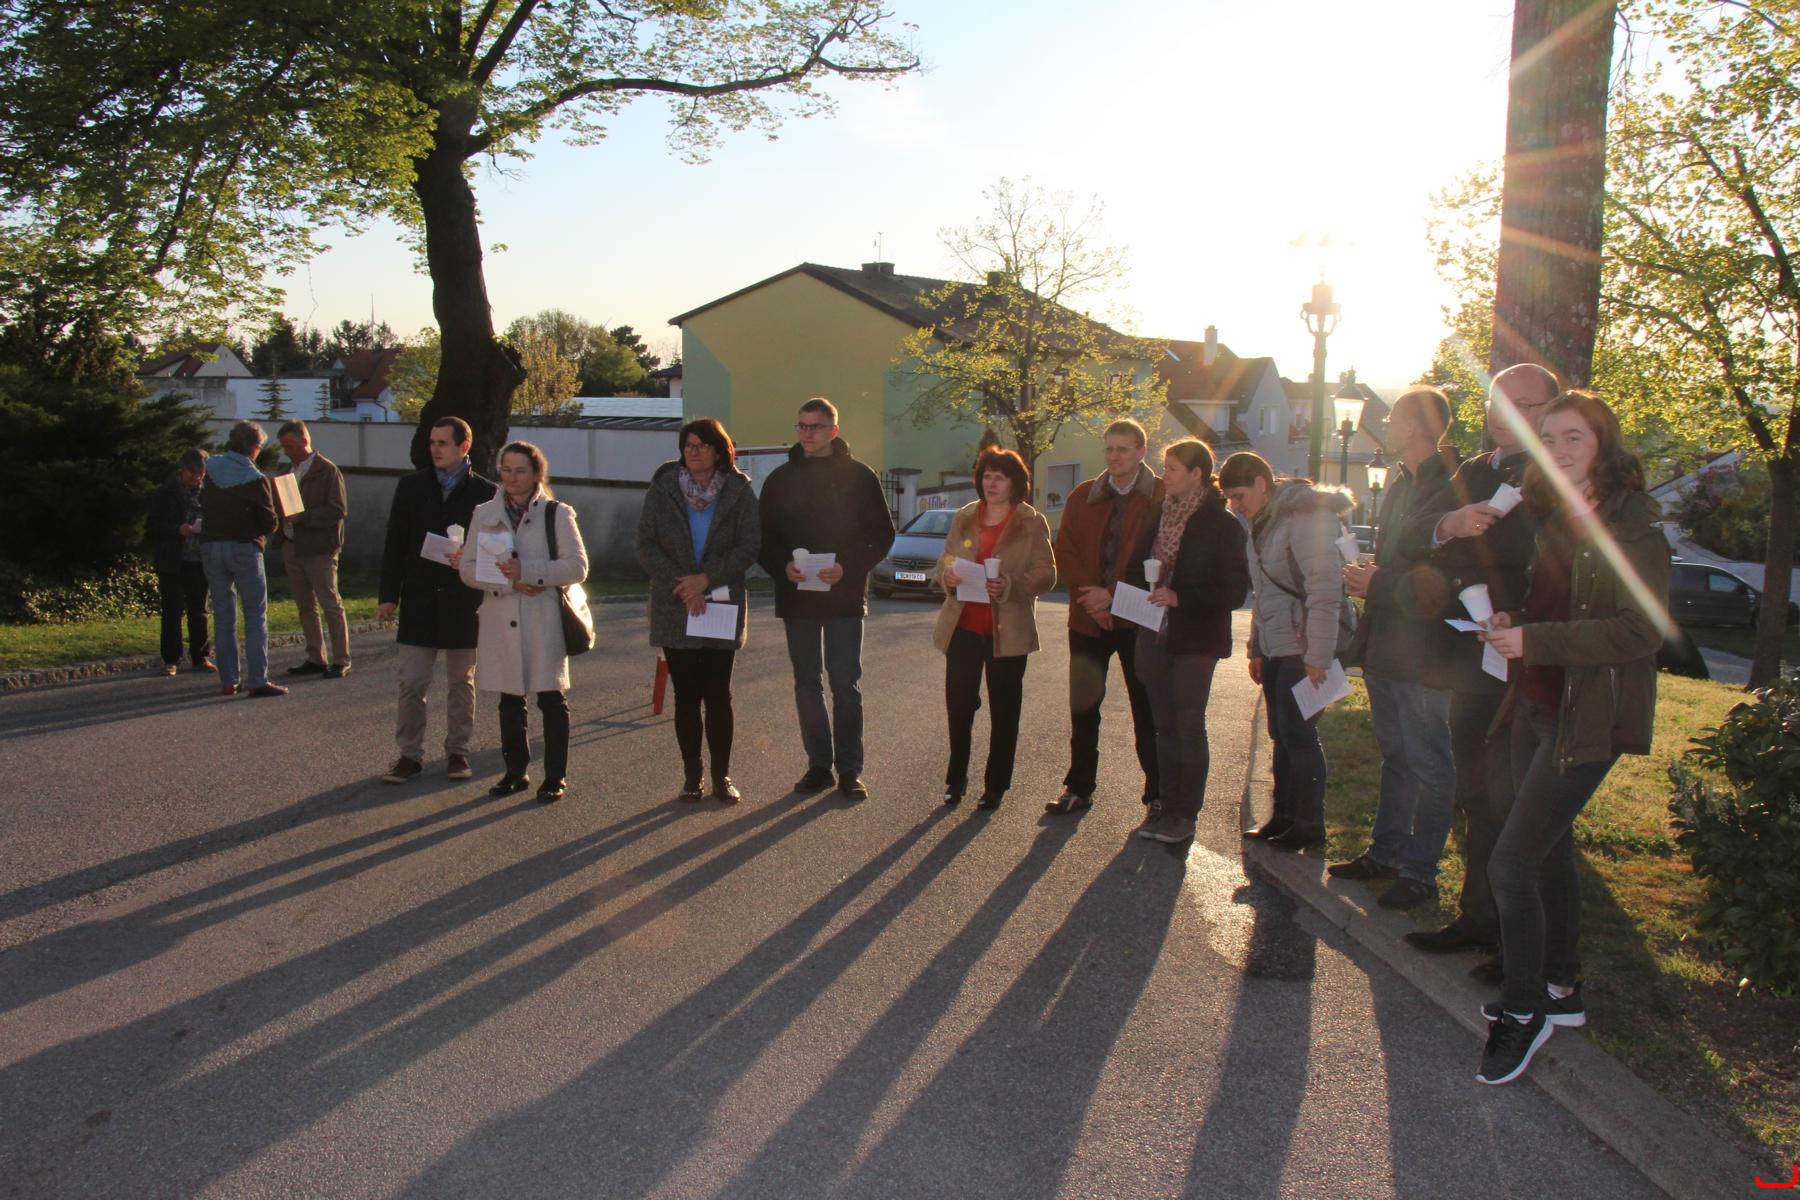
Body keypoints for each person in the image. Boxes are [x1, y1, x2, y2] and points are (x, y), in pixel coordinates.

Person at [1472, 390, 1668, 1086]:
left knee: (1511, 862)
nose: (1557, 450)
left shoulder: (1633, 522)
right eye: (1548, 438)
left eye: (1573, 438)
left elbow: (1641, 629)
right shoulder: (1554, 511)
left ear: (1603, 444)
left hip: (1584, 717)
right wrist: (1515, 619)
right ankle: (1560, 986)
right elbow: (1557, 604)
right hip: (1533, 702)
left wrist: (1537, 639)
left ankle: (1524, 1011)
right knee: (1548, 849)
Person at [1403, 364, 1557, 957]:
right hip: (1469, 657)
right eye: (1496, 400)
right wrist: (1450, 523)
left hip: (1529, 660)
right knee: (1476, 793)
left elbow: (1563, 571)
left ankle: (1519, 947)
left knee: (1517, 803)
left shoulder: (1556, 476)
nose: (1504, 413)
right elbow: (1411, 532)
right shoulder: (1472, 470)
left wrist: (1519, 613)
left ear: (1549, 410)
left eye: (1523, 403)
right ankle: (1477, 919)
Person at [1330, 387, 1462, 908]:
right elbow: (1398, 561)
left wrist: (1377, 582)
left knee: (1431, 764)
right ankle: (1386, 852)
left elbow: (1439, 583)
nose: (1384, 425)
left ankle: (1420, 872)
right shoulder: (1401, 482)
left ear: (1413, 426)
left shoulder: (1450, 487)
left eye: (1391, 419)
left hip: (1424, 654)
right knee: (1397, 757)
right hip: (1385, 644)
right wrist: (1370, 574)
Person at [756, 397, 896, 801]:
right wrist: (781, 566)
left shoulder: (860, 476)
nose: (807, 433)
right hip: (797, 597)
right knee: (806, 683)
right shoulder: (780, 479)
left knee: (845, 683)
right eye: (801, 426)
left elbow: (881, 535)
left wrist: (848, 567)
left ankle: (850, 769)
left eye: (815, 426)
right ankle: (819, 765)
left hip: (844, 597)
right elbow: (762, 538)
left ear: (833, 430)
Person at [1219, 451, 1350, 851]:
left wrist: (1318, 656)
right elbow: (1264, 593)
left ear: (1261, 483)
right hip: (1279, 644)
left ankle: (1309, 822)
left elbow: (1325, 589)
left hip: (1305, 645)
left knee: (1299, 733)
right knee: (1280, 732)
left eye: (1239, 495)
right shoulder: (1264, 520)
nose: (1235, 505)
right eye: (1230, 498)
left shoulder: (1306, 517)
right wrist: (1257, 647)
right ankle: (1284, 815)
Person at [635, 418, 761, 803]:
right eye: (688, 445)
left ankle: (722, 776)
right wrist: (684, 585)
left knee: (718, 694)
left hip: (720, 601)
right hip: (675, 603)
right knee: (686, 696)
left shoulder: (739, 491)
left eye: (703, 445)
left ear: (720, 451)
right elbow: (645, 544)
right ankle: (693, 776)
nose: (694, 451)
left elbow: (749, 546)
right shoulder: (663, 488)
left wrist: (705, 579)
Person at [1046, 418, 1165, 817]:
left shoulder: (1160, 496)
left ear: (1141, 452)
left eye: (1123, 449)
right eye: (1109, 449)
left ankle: (1157, 793)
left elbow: (1161, 556)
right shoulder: (1083, 496)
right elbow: (1066, 551)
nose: (1114, 457)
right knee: (1083, 708)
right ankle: (1079, 788)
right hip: (1088, 619)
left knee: (1146, 709)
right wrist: (1093, 601)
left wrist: (1112, 596)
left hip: (1137, 619)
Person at [1133, 438, 1249, 845]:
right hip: (1153, 631)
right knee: (1163, 726)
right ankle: (1165, 806)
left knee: (1188, 724)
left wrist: (1181, 597)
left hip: (1197, 638)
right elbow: (1135, 565)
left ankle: (1185, 815)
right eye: (1164, 467)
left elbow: (1235, 591)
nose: (1164, 475)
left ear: (1197, 474)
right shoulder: (1158, 513)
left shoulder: (1221, 523)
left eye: (1172, 469)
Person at [459, 441, 588, 804]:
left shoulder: (557, 513)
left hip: (542, 618)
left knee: (551, 698)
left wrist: (529, 571)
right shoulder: (484, 513)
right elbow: (468, 569)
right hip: (501, 616)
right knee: (510, 700)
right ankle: (515, 773)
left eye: (520, 471)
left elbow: (578, 566)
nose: (512, 478)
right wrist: (510, 582)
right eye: (506, 470)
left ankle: (555, 776)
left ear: (536, 474)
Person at [934, 447, 1058, 810]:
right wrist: (948, 575)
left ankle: (995, 785)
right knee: (959, 706)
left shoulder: (1031, 522)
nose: (991, 483)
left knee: (1004, 710)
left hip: (1008, 630)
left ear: (1014, 483)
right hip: (963, 627)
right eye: (987, 476)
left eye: (999, 477)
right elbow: (946, 559)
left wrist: (1011, 585)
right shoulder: (965, 516)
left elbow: (1047, 574)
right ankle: (956, 780)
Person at [377, 416, 497, 784]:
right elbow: (395, 543)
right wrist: (388, 596)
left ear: (464, 446)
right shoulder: (411, 487)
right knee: (412, 681)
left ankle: (458, 751)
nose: (435, 449)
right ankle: (409, 755)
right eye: (432, 442)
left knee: (462, 682)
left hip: (464, 601)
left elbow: (497, 546)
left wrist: (472, 557)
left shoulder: (486, 493)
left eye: (443, 443)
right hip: (420, 597)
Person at [198, 420, 285, 697]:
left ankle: (229, 680)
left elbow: (203, 502)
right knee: (255, 615)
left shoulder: (211, 468)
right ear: (255, 447)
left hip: (211, 546)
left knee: (223, 616)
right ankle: (257, 679)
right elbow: (269, 522)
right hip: (244, 548)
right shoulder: (255, 478)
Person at [272, 419, 352, 678]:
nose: (286, 452)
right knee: (305, 605)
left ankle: (341, 658)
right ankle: (316, 657)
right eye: (284, 447)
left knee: (330, 603)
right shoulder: (288, 471)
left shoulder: (327, 470)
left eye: (290, 446)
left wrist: (303, 517)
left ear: (304, 441)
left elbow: (338, 510)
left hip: (319, 547)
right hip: (292, 544)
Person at [146, 447, 213, 676]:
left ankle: (201, 656)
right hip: (173, 558)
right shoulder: (165, 492)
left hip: (199, 558)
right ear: (182, 470)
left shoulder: (208, 492)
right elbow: (152, 525)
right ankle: (171, 659)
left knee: (199, 609)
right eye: (193, 473)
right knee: (172, 610)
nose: (197, 478)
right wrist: (177, 529)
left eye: (201, 473)